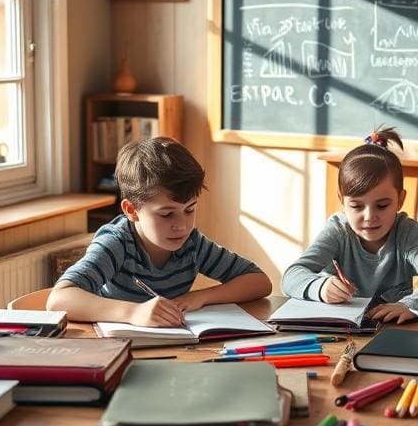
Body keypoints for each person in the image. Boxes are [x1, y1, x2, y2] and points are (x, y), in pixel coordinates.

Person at [47, 137, 271, 326]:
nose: (182, 225)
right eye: (167, 214)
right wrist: (133, 313)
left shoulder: (191, 243)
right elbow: (59, 299)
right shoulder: (117, 243)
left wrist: (199, 297)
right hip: (115, 349)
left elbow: (259, 281)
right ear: (131, 210)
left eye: (189, 210)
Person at [282, 127, 418, 324]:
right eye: (356, 206)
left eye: (382, 206)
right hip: (339, 334)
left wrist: (408, 305)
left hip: (391, 333)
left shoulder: (408, 234)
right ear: (342, 201)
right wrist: (320, 288)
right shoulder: (338, 230)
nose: (369, 216)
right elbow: (291, 277)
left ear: (400, 200)